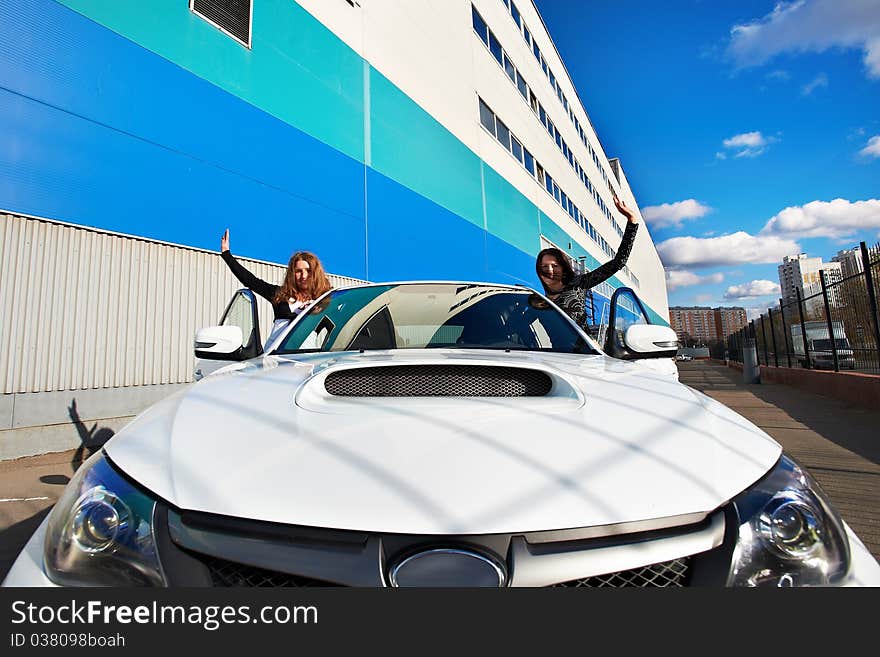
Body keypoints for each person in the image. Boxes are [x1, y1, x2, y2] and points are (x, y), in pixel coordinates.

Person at [535, 195, 639, 332]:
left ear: (563, 267)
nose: (550, 270)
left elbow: (618, 262)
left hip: (585, 352)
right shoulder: (537, 301)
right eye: (544, 266)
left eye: (555, 266)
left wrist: (632, 222)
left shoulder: (578, 284)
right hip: (555, 353)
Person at [219, 229, 333, 342]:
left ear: (315, 273)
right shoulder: (280, 294)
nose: (303, 276)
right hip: (275, 356)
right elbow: (251, 281)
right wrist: (227, 255)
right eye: (298, 271)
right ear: (292, 274)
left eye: (308, 271)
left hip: (306, 357)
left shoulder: (326, 299)